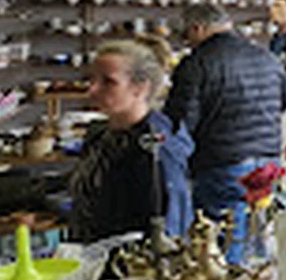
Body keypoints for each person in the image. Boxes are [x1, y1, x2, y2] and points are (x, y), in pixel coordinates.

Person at [165, 1, 286, 236]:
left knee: (223, 241)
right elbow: (283, 102)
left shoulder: (196, 63)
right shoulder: (266, 57)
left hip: (222, 162)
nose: (188, 41)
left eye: (187, 35)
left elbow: (181, 121)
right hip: (269, 161)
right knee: (258, 233)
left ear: (197, 29)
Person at [69, 39, 193, 241]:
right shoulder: (100, 135)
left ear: (141, 88)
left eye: (108, 82)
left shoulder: (155, 149)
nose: (92, 90)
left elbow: (169, 232)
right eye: (91, 80)